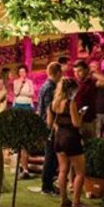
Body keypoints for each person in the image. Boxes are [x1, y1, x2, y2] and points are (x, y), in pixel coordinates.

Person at [50, 77, 87, 207]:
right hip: (71, 137)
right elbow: (76, 123)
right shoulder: (70, 103)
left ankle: (63, 199)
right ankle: (76, 202)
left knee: (63, 170)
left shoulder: (54, 103)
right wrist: (81, 114)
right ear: (71, 90)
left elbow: (51, 122)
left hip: (59, 137)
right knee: (80, 172)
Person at [34, 62, 62, 196]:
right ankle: (47, 185)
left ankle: (48, 184)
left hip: (45, 123)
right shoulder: (51, 87)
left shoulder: (44, 86)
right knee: (51, 156)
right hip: (50, 125)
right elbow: (49, 108)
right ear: (58, 73)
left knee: (50, 155)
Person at [72, 60, 98, 139]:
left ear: (86, 70)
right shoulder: (74, 84)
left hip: (89, 120)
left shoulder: (91, 83)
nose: (77, 74)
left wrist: (92, 72)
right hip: (77, 120)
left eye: (79, 71)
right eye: (75, 71)